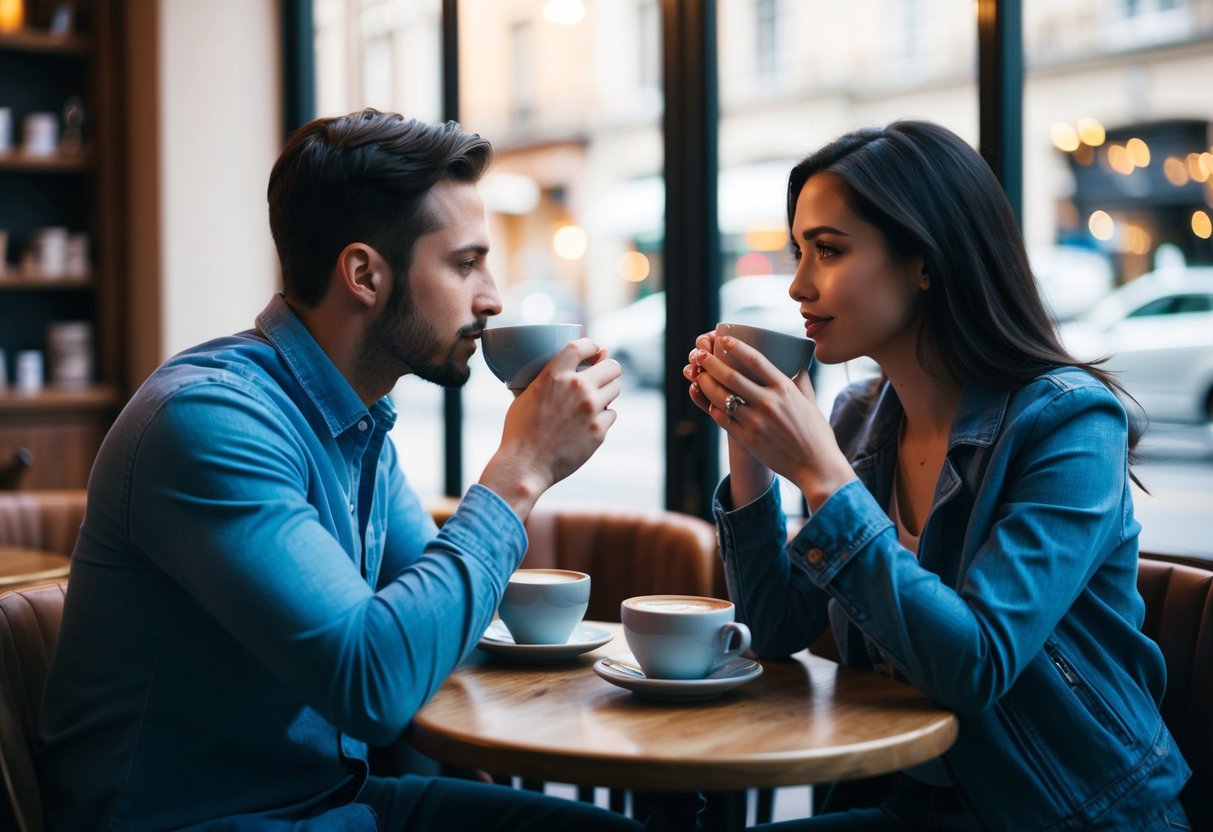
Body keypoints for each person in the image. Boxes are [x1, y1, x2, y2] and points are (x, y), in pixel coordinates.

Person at [37, 109, 638, 831]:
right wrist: (524, 466)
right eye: (465, 263)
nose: (493, 299)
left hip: (333, 803)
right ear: (363, 274)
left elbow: (434, 624)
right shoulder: (206, 423)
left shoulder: (355, 423)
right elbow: (372, 681)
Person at [684, 121, 1192, 830]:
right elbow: (771, 629)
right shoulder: (862, 418)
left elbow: (975, 664)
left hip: (1065, 812)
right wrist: (745, 439)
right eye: (799, 251)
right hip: (903, 797)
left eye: (827, 250)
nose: (798, 284)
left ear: (924, 260)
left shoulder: (1071, 425)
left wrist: (823, 477)